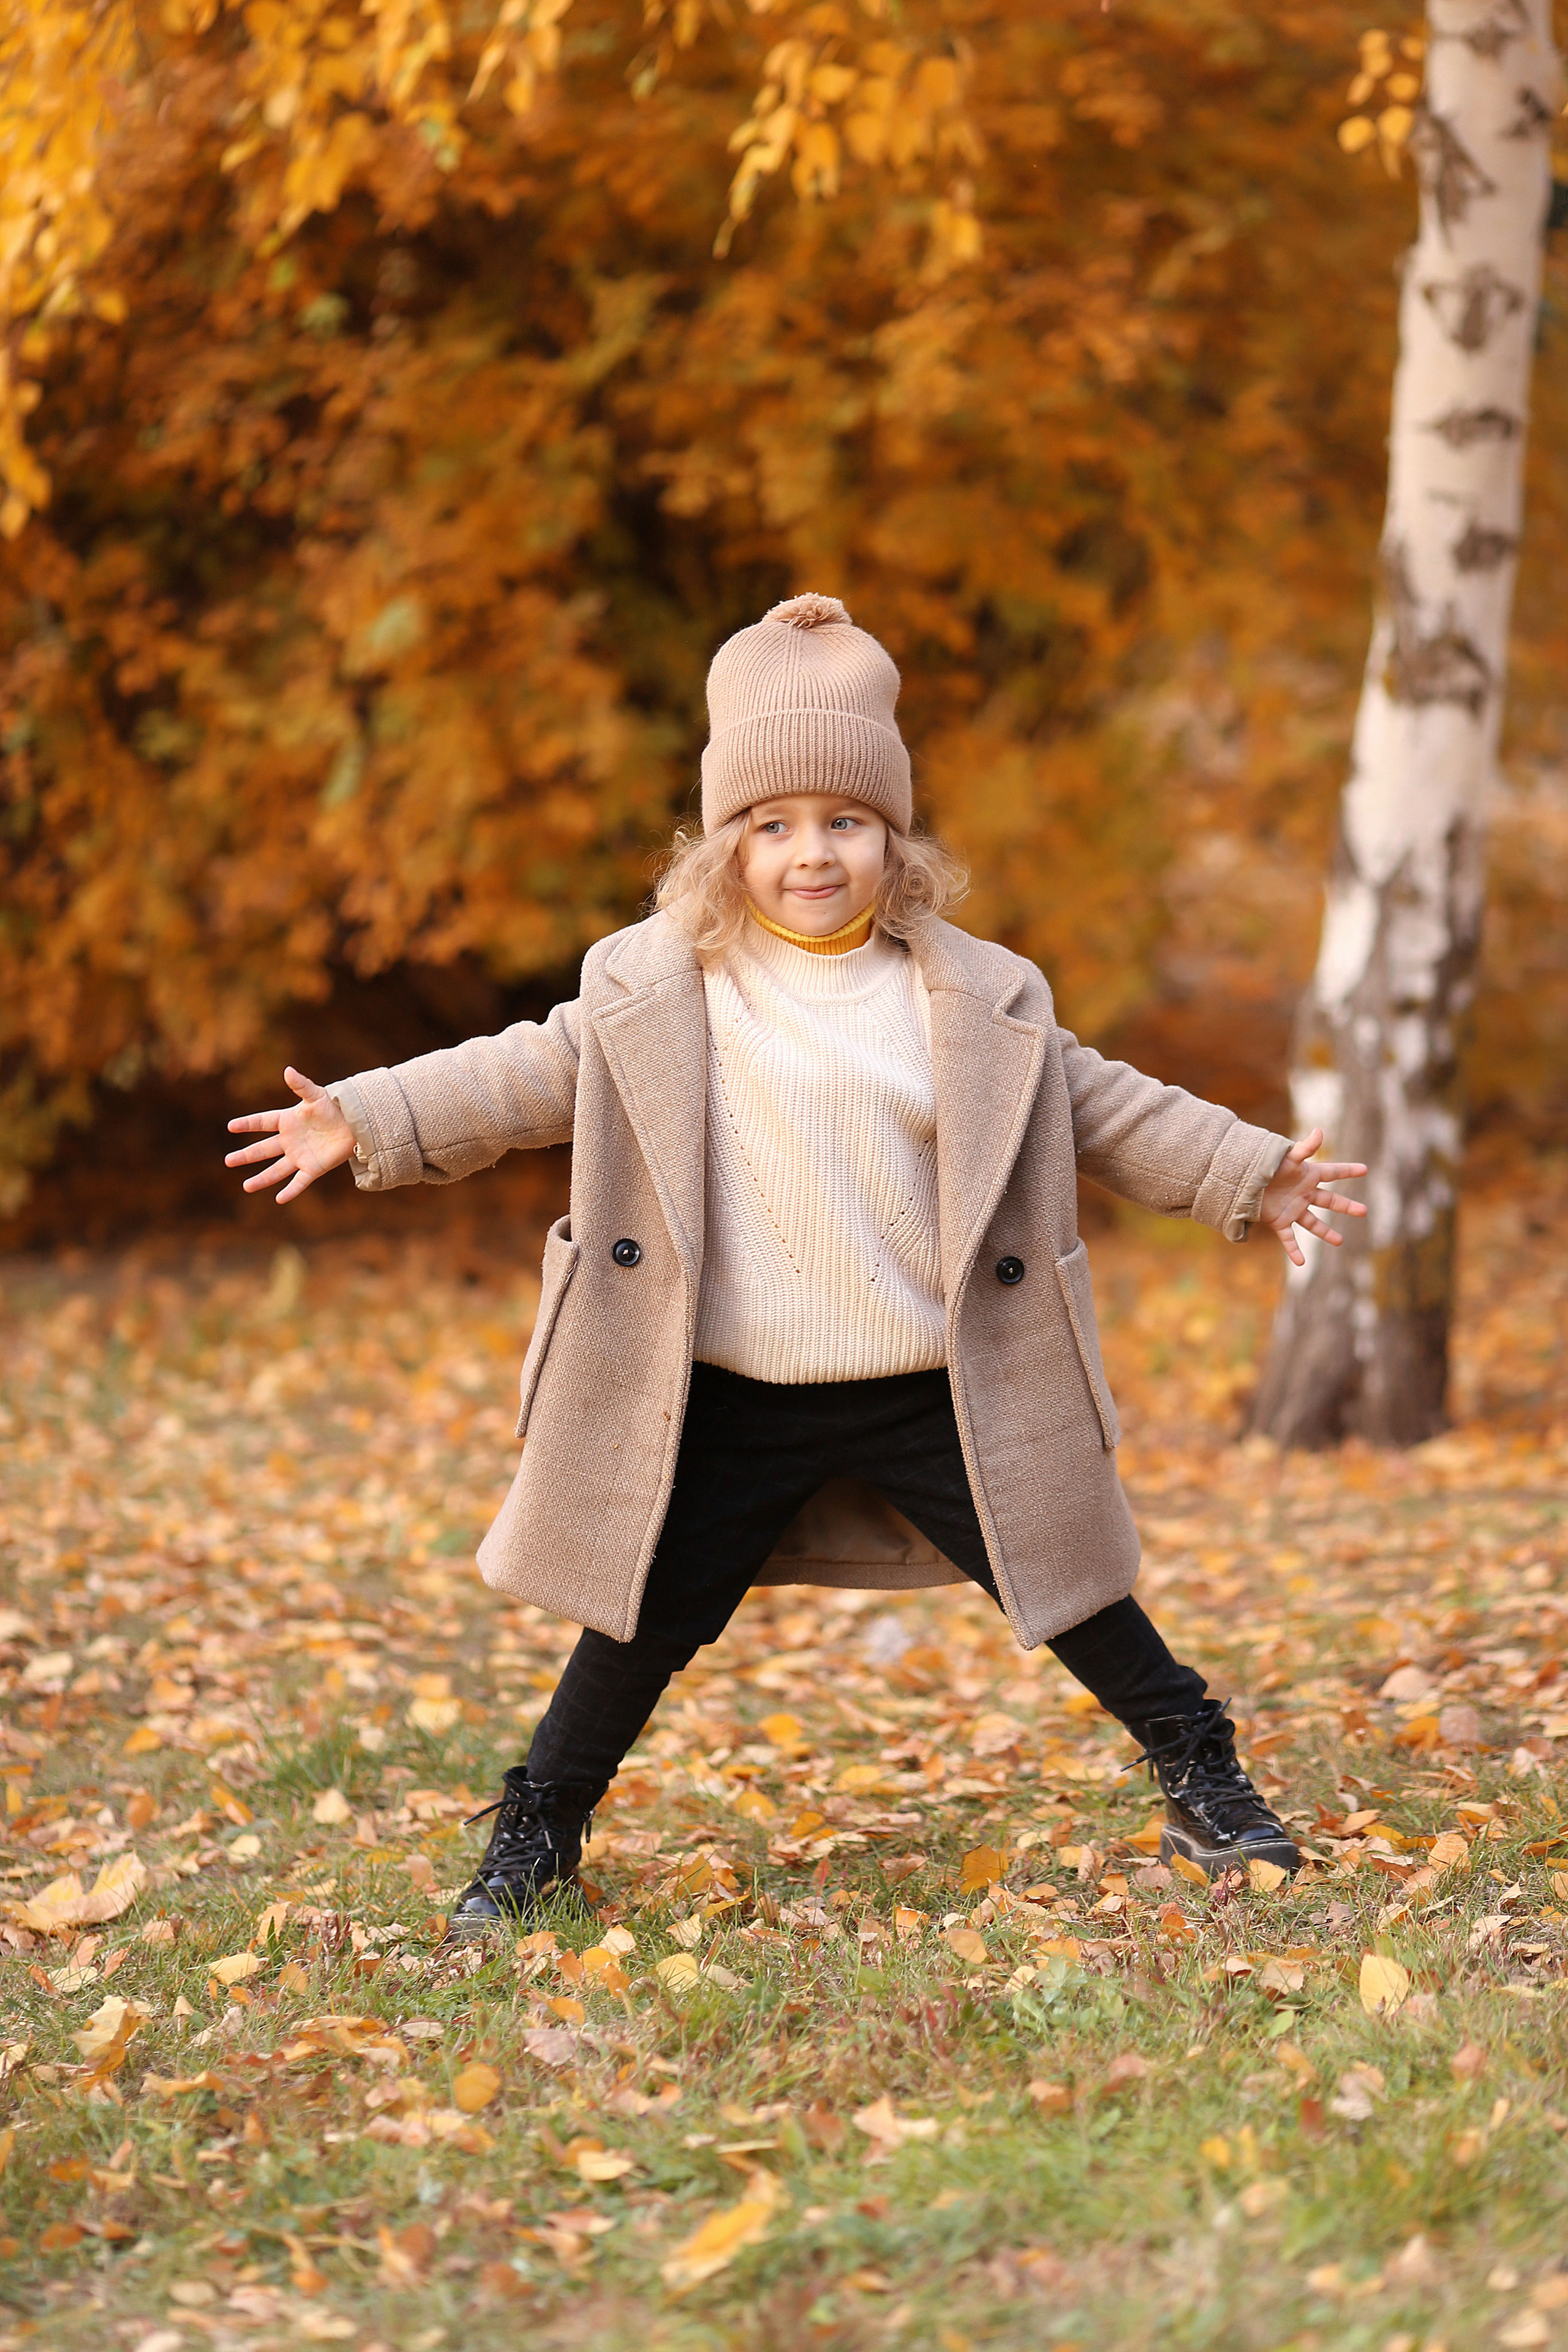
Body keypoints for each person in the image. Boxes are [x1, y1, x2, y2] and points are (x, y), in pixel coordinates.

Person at [226, 593, 1366, 1934]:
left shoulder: (965, 998)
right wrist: (369, 1116)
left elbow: (1103, 1104)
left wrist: (1249, 1171)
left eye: (843, 822)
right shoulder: (662, 988)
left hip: (929, 1377)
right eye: (769, 827)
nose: (808, 855)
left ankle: (1198, 1767)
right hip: (729, 1384)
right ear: (722, 846)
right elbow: (523, 1070)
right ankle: (537, 1829)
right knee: (637, 1616)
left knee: (1066, 1580)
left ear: (892, 837)